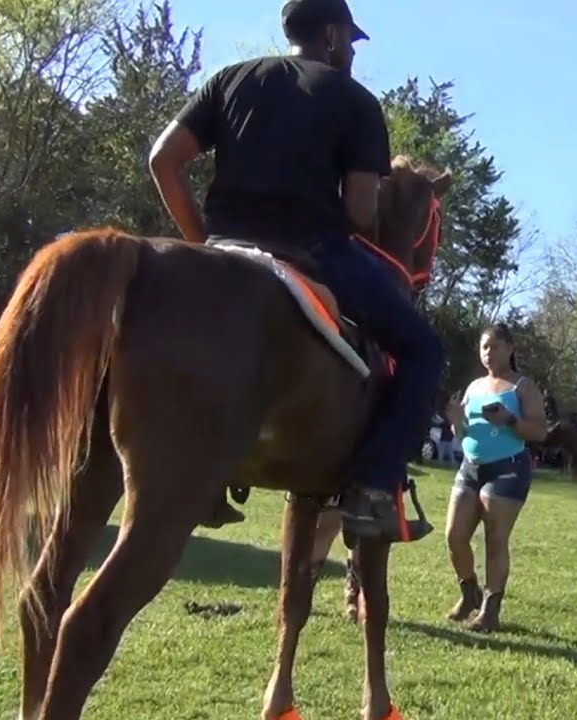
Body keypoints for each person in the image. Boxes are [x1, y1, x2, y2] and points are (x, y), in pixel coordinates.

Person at [146, 0, 445, 541]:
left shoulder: (229, 79)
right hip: (313, 251)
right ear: (330, 36)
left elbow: (163, 160)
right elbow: (358, 215)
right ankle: (373, 489)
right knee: (426, 351)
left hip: (222, 247)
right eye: (351, 40)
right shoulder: (354, 99)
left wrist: (201, 244)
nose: (352, 50)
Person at [444, 324, 547, 632]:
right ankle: (469, 593)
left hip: (508, 467)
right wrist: (456, 421)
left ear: (509, 348)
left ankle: (491, 609)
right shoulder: (474, 387)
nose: (487, 353)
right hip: (471, 467)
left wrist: (509, 419)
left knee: (495, 537)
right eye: (483, 347)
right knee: (454, 534)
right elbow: (462, 432)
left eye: (494, 346)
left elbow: (540, 431)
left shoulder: (522, 387)